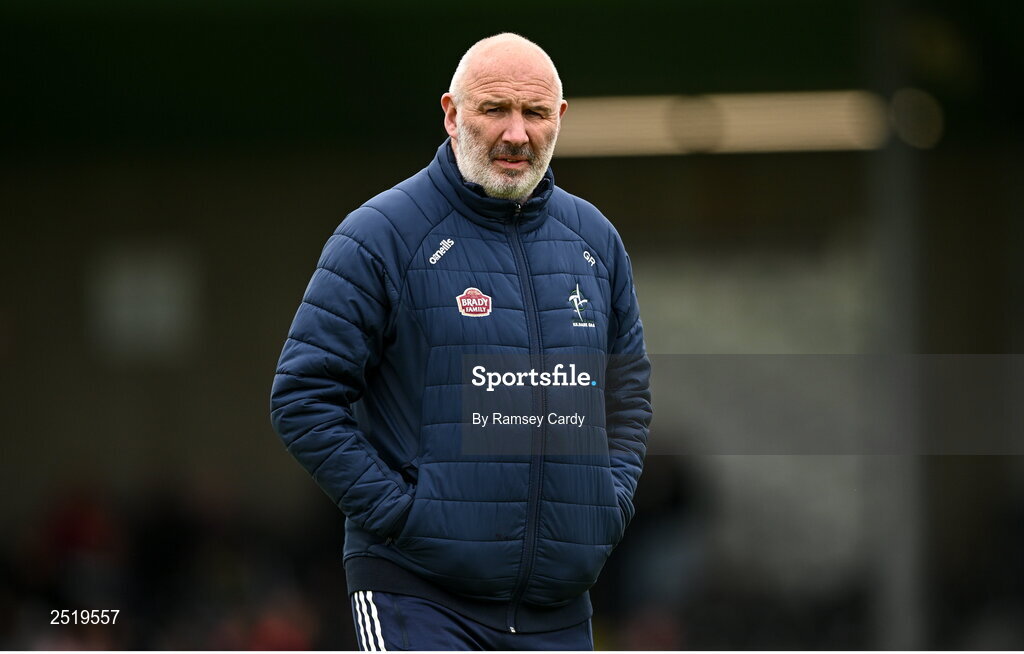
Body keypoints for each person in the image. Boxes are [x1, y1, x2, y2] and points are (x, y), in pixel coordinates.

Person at [270, 32, 652, 650]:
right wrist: (404, 517)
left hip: (557, 609)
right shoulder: (380, 234)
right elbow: (302, 397)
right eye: (494, 109)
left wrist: (606, 507)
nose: (516, 134)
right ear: (450, 113)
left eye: (533, 113)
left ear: (560, 118)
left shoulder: (596, 241)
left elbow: (626, 392)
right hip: (418, 595)